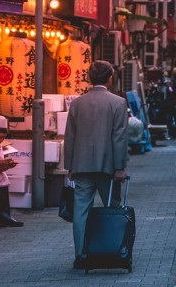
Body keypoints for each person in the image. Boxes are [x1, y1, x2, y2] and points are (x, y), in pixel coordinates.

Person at [64, 60, 129, 270]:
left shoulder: (77, 103)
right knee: (112, 208)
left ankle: (81, 255)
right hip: (108, 166)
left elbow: (70, 136)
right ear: (110, 78)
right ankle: (111, 250)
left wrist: (69, 166)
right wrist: (120, 167)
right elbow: (119, 137)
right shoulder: (118, 103)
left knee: (80, 211)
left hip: (81, 164)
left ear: (89, 78)